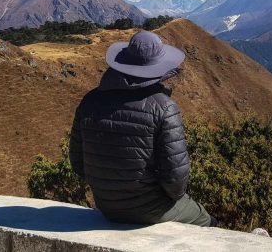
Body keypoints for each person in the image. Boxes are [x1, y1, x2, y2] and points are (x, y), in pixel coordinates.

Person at [69, 30, 216, 227]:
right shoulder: (164, 108)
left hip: (107, 206)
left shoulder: (89, 101)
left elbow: (78, 164)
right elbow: (176, 181)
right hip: (150, 209)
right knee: (205, 219)